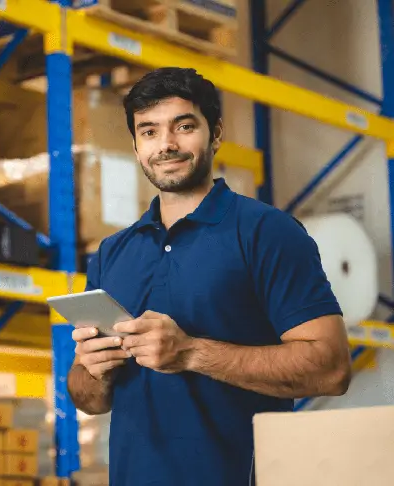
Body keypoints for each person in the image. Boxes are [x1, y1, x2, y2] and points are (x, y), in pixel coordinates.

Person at [67, 67, 352, 486]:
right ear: (135, 145)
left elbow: (332, 368)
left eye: (183, 127)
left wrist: (190, 353)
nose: (166, 145)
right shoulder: (113, 252)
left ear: (215, 134)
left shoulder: (265, 231)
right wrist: (95, 371)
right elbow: (88, 399)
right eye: (149, 132)